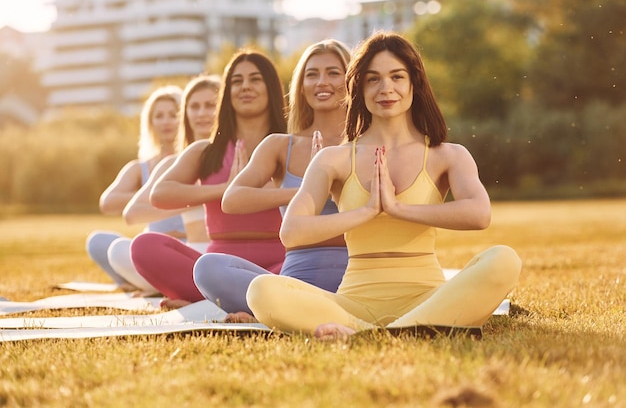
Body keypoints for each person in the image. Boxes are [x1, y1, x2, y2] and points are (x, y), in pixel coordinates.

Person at [246, 31, 522, 339]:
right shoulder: (333, 159)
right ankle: (406, 331)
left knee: (504, 260)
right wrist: (366, 211)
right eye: (373, 79)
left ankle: (371, 334)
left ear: (414, 84)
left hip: (428, 297)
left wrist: (398, 208)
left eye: (396, 77)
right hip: (353, 303)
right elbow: (292, 232)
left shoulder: (447, 154)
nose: (386, 88)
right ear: (359, 88)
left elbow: (479, 214)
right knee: (261, 290)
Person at [193, 39, 352, 322]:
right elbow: (233, 199)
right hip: (294, 280)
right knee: (207, 267)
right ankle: (284, 308)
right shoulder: (280, 145)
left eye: (333, 72)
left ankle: (278, 313)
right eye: (312, 74)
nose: (321, 82)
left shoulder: (366, 144)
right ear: (301, 85)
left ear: (351, 79)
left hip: (354, 275)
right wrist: (302, 190)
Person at [130, 49, 288, 309]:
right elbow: (160, 195)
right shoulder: (205, 151)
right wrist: (227, 190)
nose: (245, 86)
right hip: (216, 265)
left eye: (255, 79)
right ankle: (245, 300)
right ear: (227, 92)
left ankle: (216, 301)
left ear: (271, 87)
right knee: (144, 247)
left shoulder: (289, 145)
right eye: (237, 81)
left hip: (279, 262)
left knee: (313, 267)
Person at [118, 74, 221, 292]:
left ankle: (186, 290)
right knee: (129, 248)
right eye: (194, 106)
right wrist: (193, 199)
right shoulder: (173, 164)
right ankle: (191, 289)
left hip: (233, 256)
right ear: (186, 114)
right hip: (195, 255)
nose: (202, 113)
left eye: (210, 105)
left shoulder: (244, 155)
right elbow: (132, 213)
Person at [85, 85, 184, 291]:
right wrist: (155, 194)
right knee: (98, 242)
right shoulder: (141, 168)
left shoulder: (194, 159)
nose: (166, 121)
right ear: (151, 123)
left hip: (188, 246)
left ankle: (147, 284)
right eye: (159, 116)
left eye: (173, 114)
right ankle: (135, 282)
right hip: (152, 248)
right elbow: (108, 203)